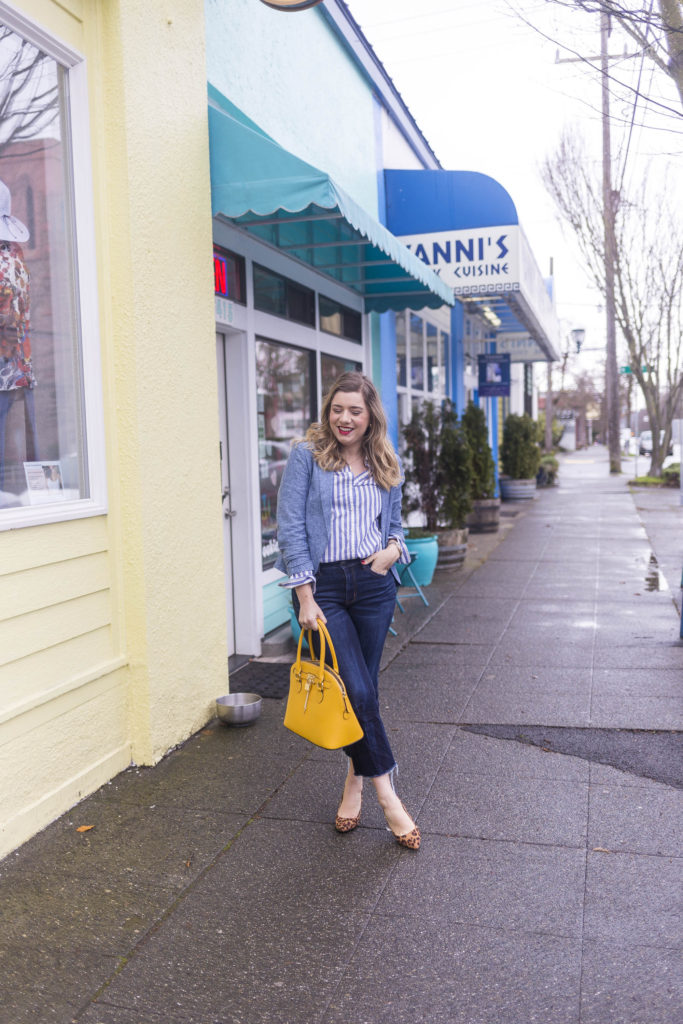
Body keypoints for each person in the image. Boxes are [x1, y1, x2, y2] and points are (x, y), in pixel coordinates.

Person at [276, 371, 420, 850]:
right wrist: (305, 597)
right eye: (337, 409)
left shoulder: (384, 458)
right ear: (328, 411)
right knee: (353, 687)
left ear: (369, 414)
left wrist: (393, 550)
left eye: (354, 410)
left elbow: (396, 526)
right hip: (328, 588)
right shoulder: (307, 456)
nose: (344, 418)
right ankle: (389, 798)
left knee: (366, 690)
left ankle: (353, 783)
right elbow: (291, 525)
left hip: (375, 583)